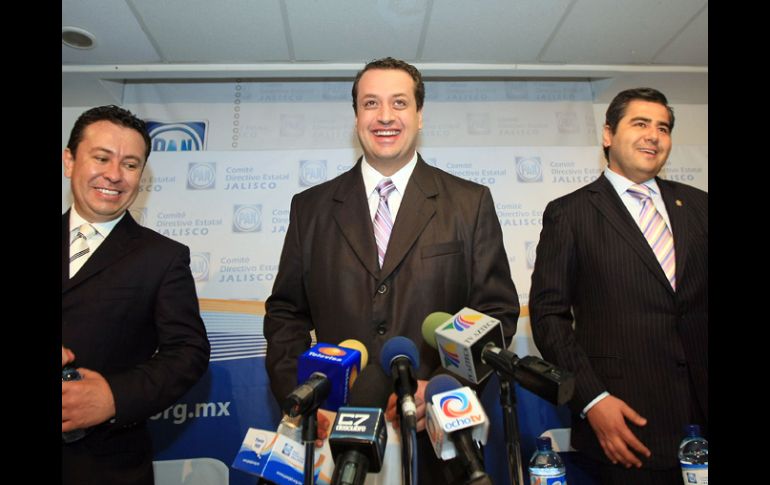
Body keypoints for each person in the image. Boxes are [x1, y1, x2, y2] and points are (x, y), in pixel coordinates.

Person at [264, 57, 520, 482]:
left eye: (399, 103)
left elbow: (493, 312)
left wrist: (442, 385)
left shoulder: (469, 203)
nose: (385, 116)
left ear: (419, 116)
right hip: (336, 434)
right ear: (356, 117)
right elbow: (286, 315)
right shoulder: (309, 209)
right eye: (371, 103)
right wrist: (307, 395)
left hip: (436, 435)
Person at [529, 87, 707, 485]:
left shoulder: (699, 206)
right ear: (608, 135)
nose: (654, 135)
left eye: (663, 127)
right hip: (626, 428)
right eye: (640, 123)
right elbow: (548, 318)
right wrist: (592, 400)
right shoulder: (569, 213)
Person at [62, 105, 211, 485]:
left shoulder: (162, 258)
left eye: (130, 164)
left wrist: (114, 396)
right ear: (69, 161)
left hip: (103, 466)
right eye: (101, 158)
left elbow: (188, 353)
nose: (114, 174)